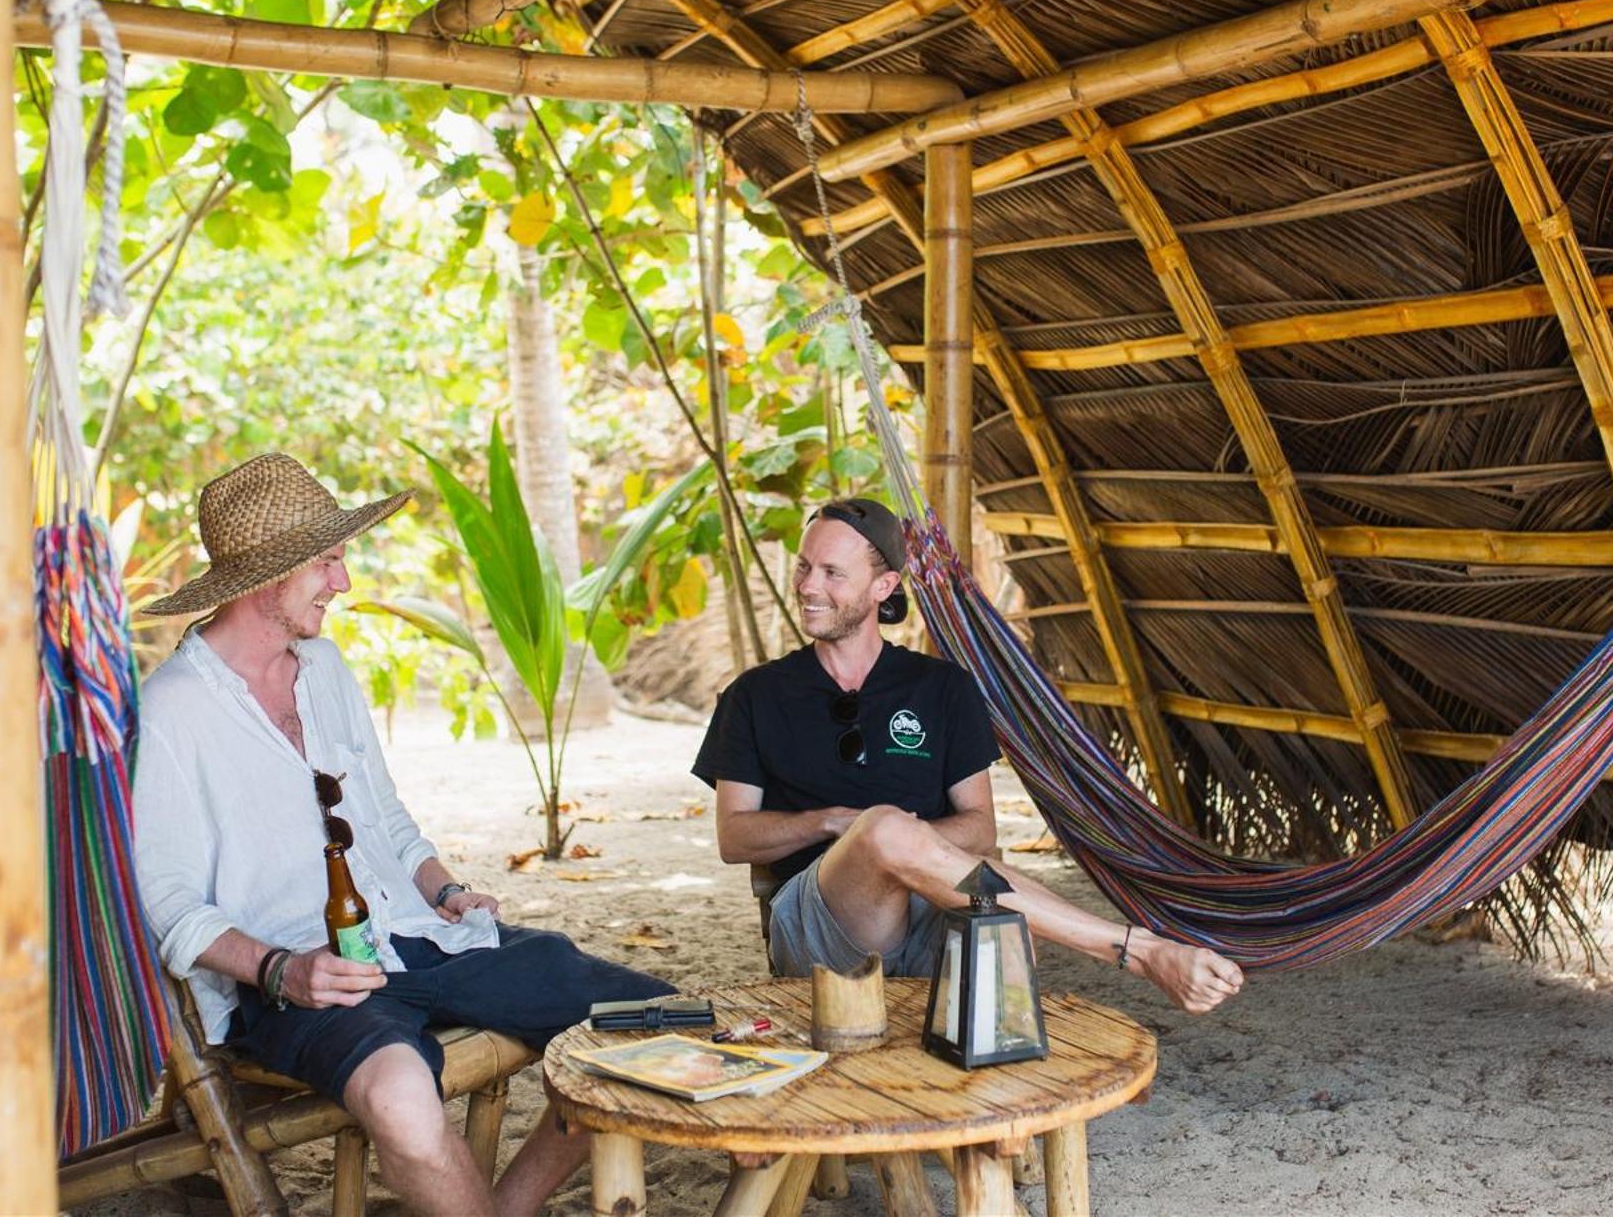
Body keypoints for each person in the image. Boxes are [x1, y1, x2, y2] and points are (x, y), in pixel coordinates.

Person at [134, 453, 673, 1217]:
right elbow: (165, 903)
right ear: (269, 573)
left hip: (423, 935)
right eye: (328, 560)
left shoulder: (325, 669)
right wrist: (284, 970)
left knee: (654, 1025)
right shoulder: (171, 711)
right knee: (403, 1105)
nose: (343, 582)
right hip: (306, 981)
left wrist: (445, 888)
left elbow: (385, 819)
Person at [693, 497, 1243, 1015]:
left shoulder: (942, 688)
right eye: (804, 567)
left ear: (884, 586)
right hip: (822, 925)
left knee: (997, 907)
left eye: (832, 573)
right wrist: (841, 825)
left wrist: (910, 848)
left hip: (935, 909)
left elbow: (979, 828)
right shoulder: (754, 696)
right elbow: (733, 838)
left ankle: (998, 1075)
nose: (809, 586)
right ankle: (1139, 950)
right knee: (885, 828)